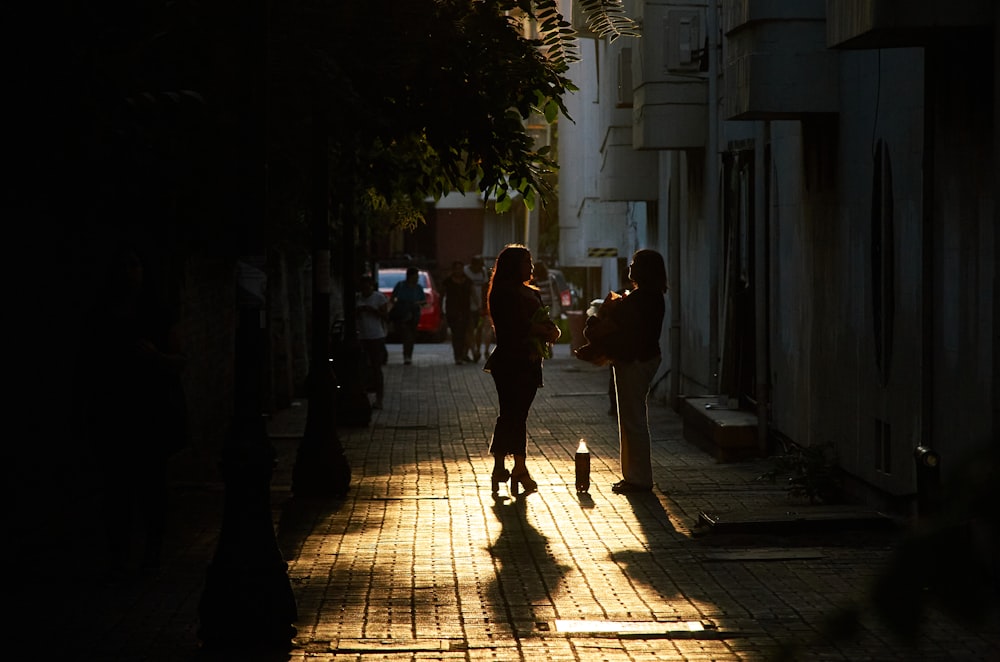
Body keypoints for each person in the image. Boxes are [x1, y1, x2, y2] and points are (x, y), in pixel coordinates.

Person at [79, 246, 189, 580]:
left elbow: (179, 359)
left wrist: (155, 357)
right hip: (115, 414)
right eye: (124, 266)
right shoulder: (102, 315)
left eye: (135, 265)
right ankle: (120, 554)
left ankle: (150, 553)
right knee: (118, 490)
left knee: (150, 487)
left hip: (149, 414)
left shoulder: (156, 314)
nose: (130, 272)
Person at [483, 244, 561, 497]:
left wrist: (552, 331)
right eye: (526, 261)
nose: (531, 266)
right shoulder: (502, 293)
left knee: (513, 415)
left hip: (530, 361)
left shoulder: (531, 292)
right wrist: (541, 330)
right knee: (513, 414)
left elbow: (543, 322)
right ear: (513, 265)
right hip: (510, 360)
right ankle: (517, 468)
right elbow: (515, 326)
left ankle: (503, 467)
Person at [601, 249, 667, 494]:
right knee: (631, 418)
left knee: (633, 420)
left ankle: (638, 478)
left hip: (635, 360)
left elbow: (622, 324)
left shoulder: (642, 298)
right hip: (642, 358)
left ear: (643, 270)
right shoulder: (653, 295)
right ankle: (632, 476)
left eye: (634, 263)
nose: (630, 266)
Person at [356, 275, 389, 409]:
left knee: (376, 367)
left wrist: (373, 311)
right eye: (363, 287)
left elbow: (385, 316)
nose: (366, 289)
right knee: (362, 367)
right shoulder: (357, 298)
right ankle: (362, 396)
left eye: (368, 286)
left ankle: (379, 398)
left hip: (376, 336)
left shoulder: (379, 298)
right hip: (361, 336)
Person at [389, 266, 426, 365]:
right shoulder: (400, 285)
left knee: (412, 335)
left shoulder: (418, 287)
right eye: (415, 276)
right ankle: (406, 355)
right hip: (403, 313)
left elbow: (423, 300)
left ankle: (408, 354)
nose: (417, 278)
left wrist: (417, 303)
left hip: (414, 314)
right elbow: (393, 298)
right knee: (406, 334)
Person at [439, 260, 474, 365]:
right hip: (452, 311)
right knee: (456, 333)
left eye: (460, 268)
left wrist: (477, 306)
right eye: (457, 269)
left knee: (463, 333)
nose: (459, 271)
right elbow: (442, 295)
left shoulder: (467, 281)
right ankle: (458, 356)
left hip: (465, 310)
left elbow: (473, 294)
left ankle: (462, 354)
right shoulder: (448, 281)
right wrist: (441, 309)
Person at [464, 255, 489, 362]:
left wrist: (484, 304)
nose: (479, 268)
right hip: (468, 306)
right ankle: (471, 351)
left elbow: (485, 288)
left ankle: (477, 350)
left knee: (479, 329)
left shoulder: (483, 272)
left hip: (480, 307)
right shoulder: (465, 271)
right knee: (469, 329)